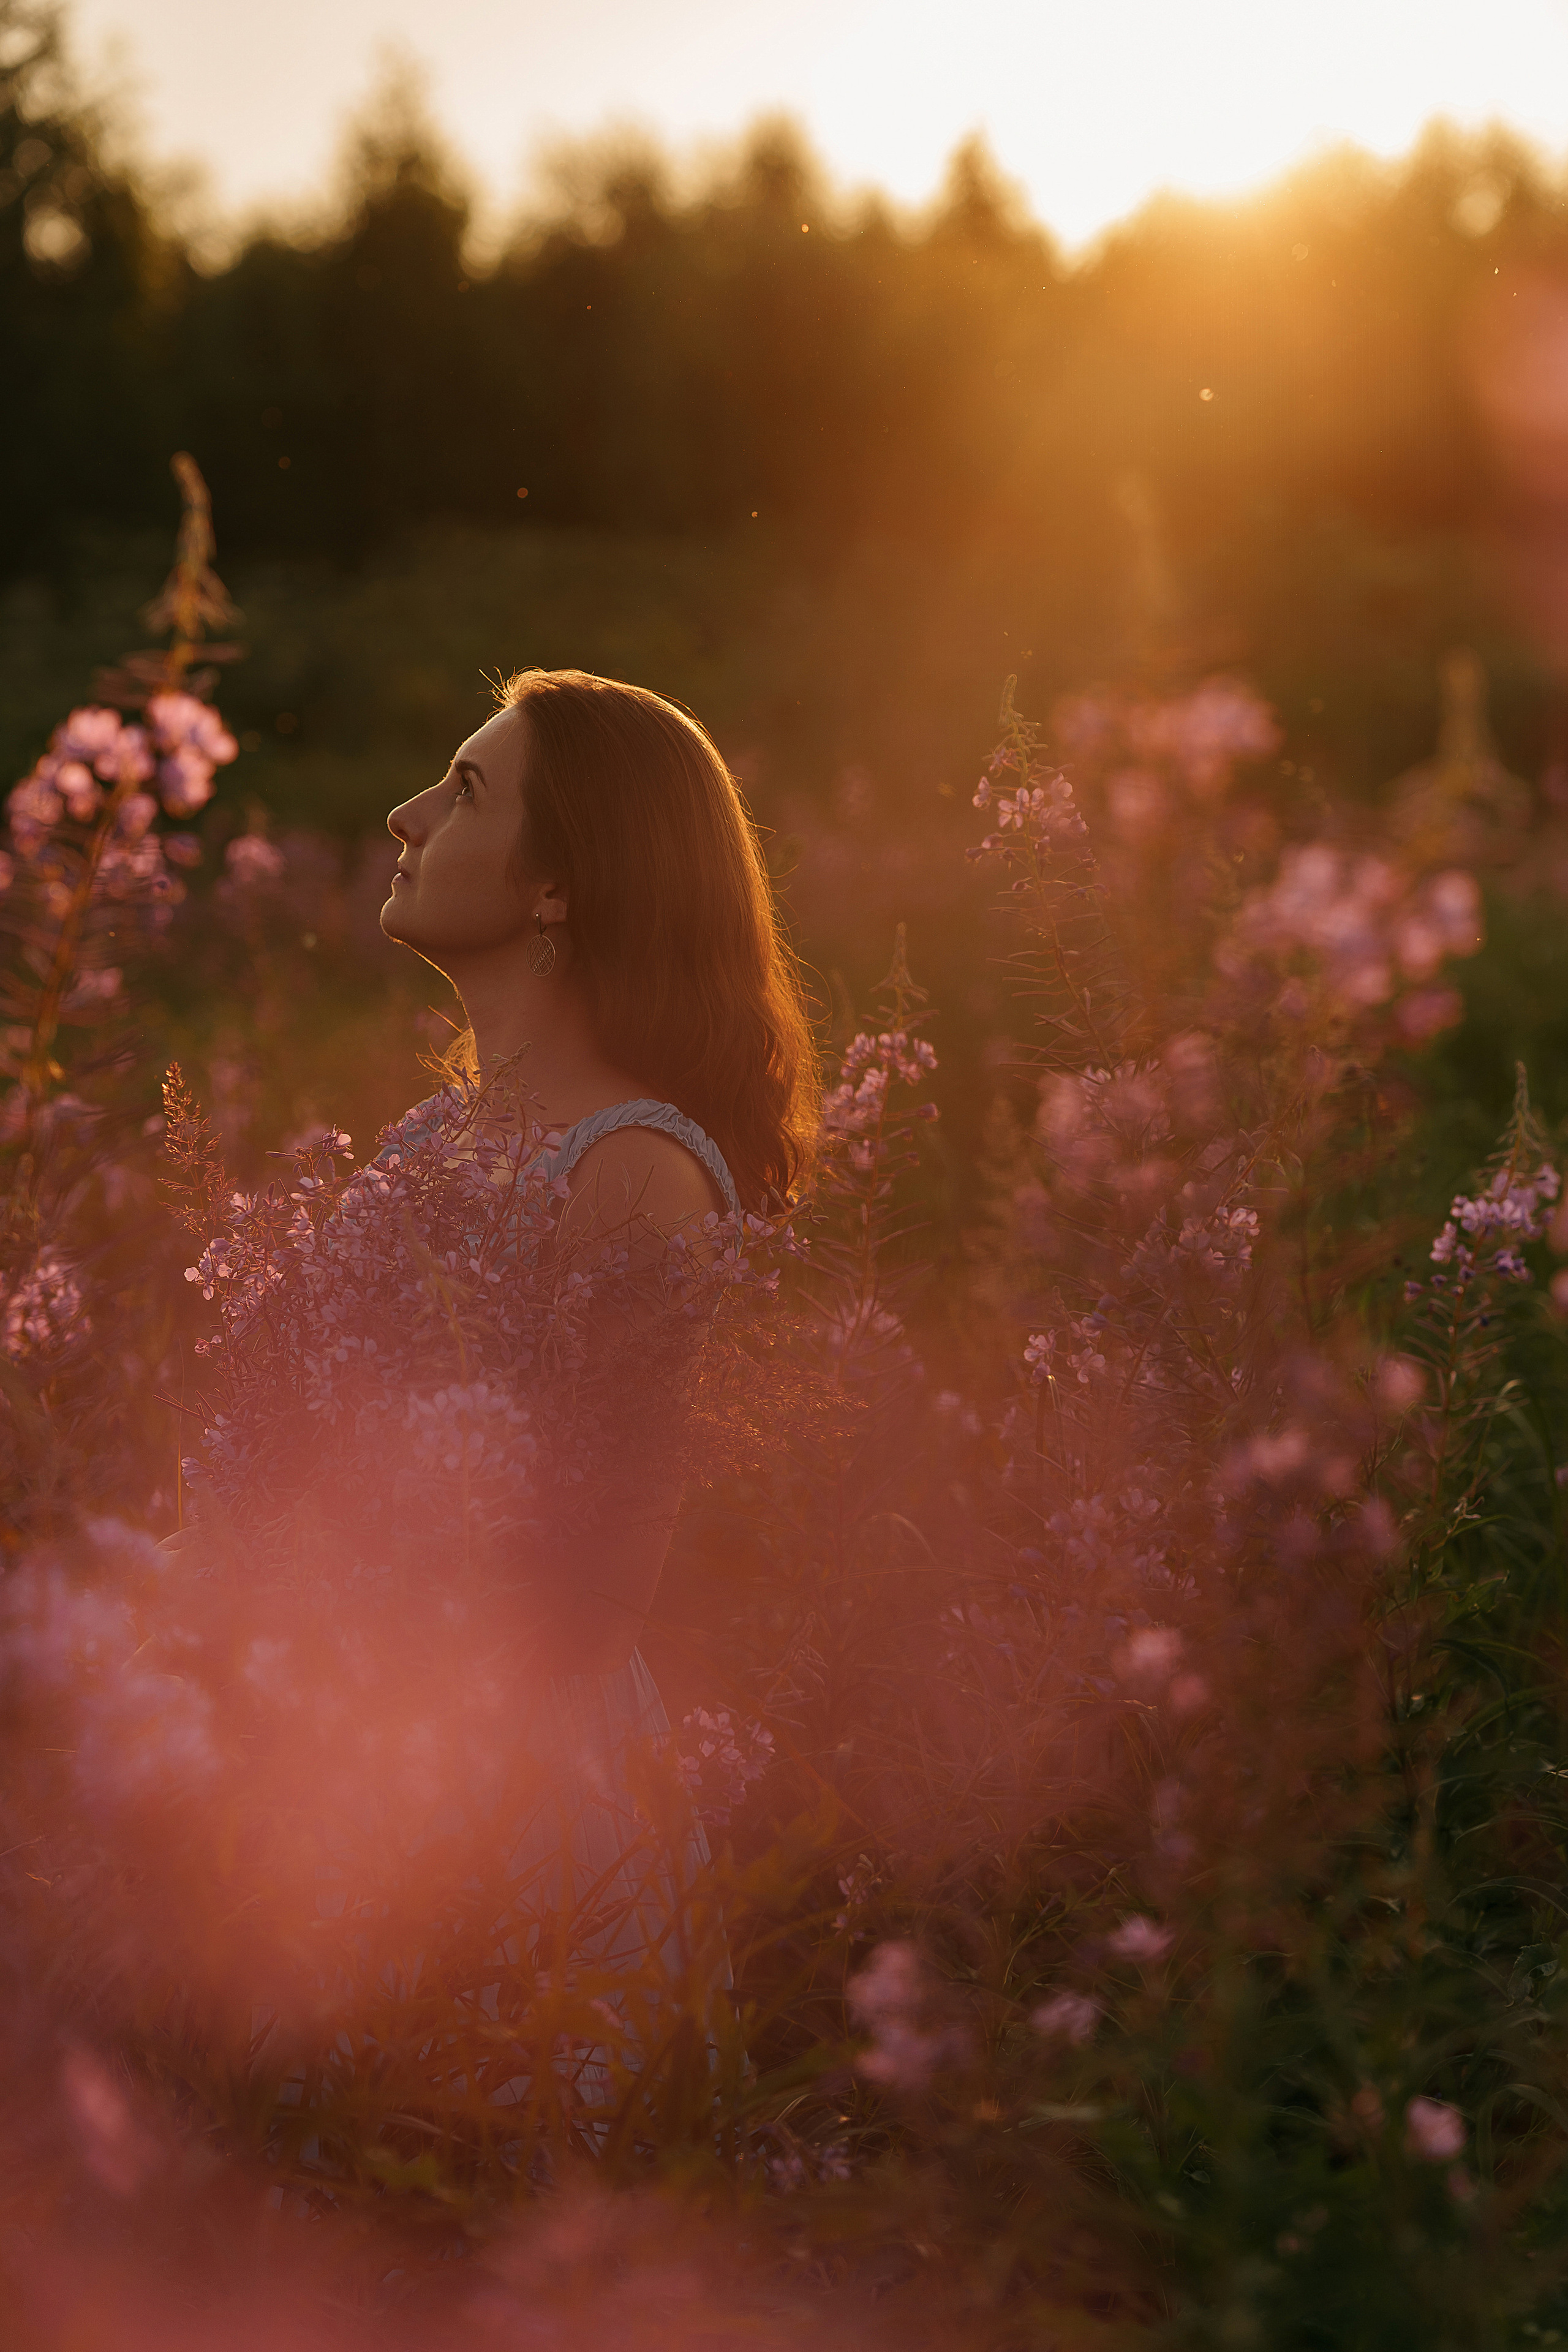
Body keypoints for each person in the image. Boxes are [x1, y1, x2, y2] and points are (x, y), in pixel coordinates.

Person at [356, 666, 819, 2147]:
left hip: (498, 1800)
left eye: (467, 788)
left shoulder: (633, 1172)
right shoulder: (434, 1135)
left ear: (559, 887)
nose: (406, 814)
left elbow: (598, 1588)